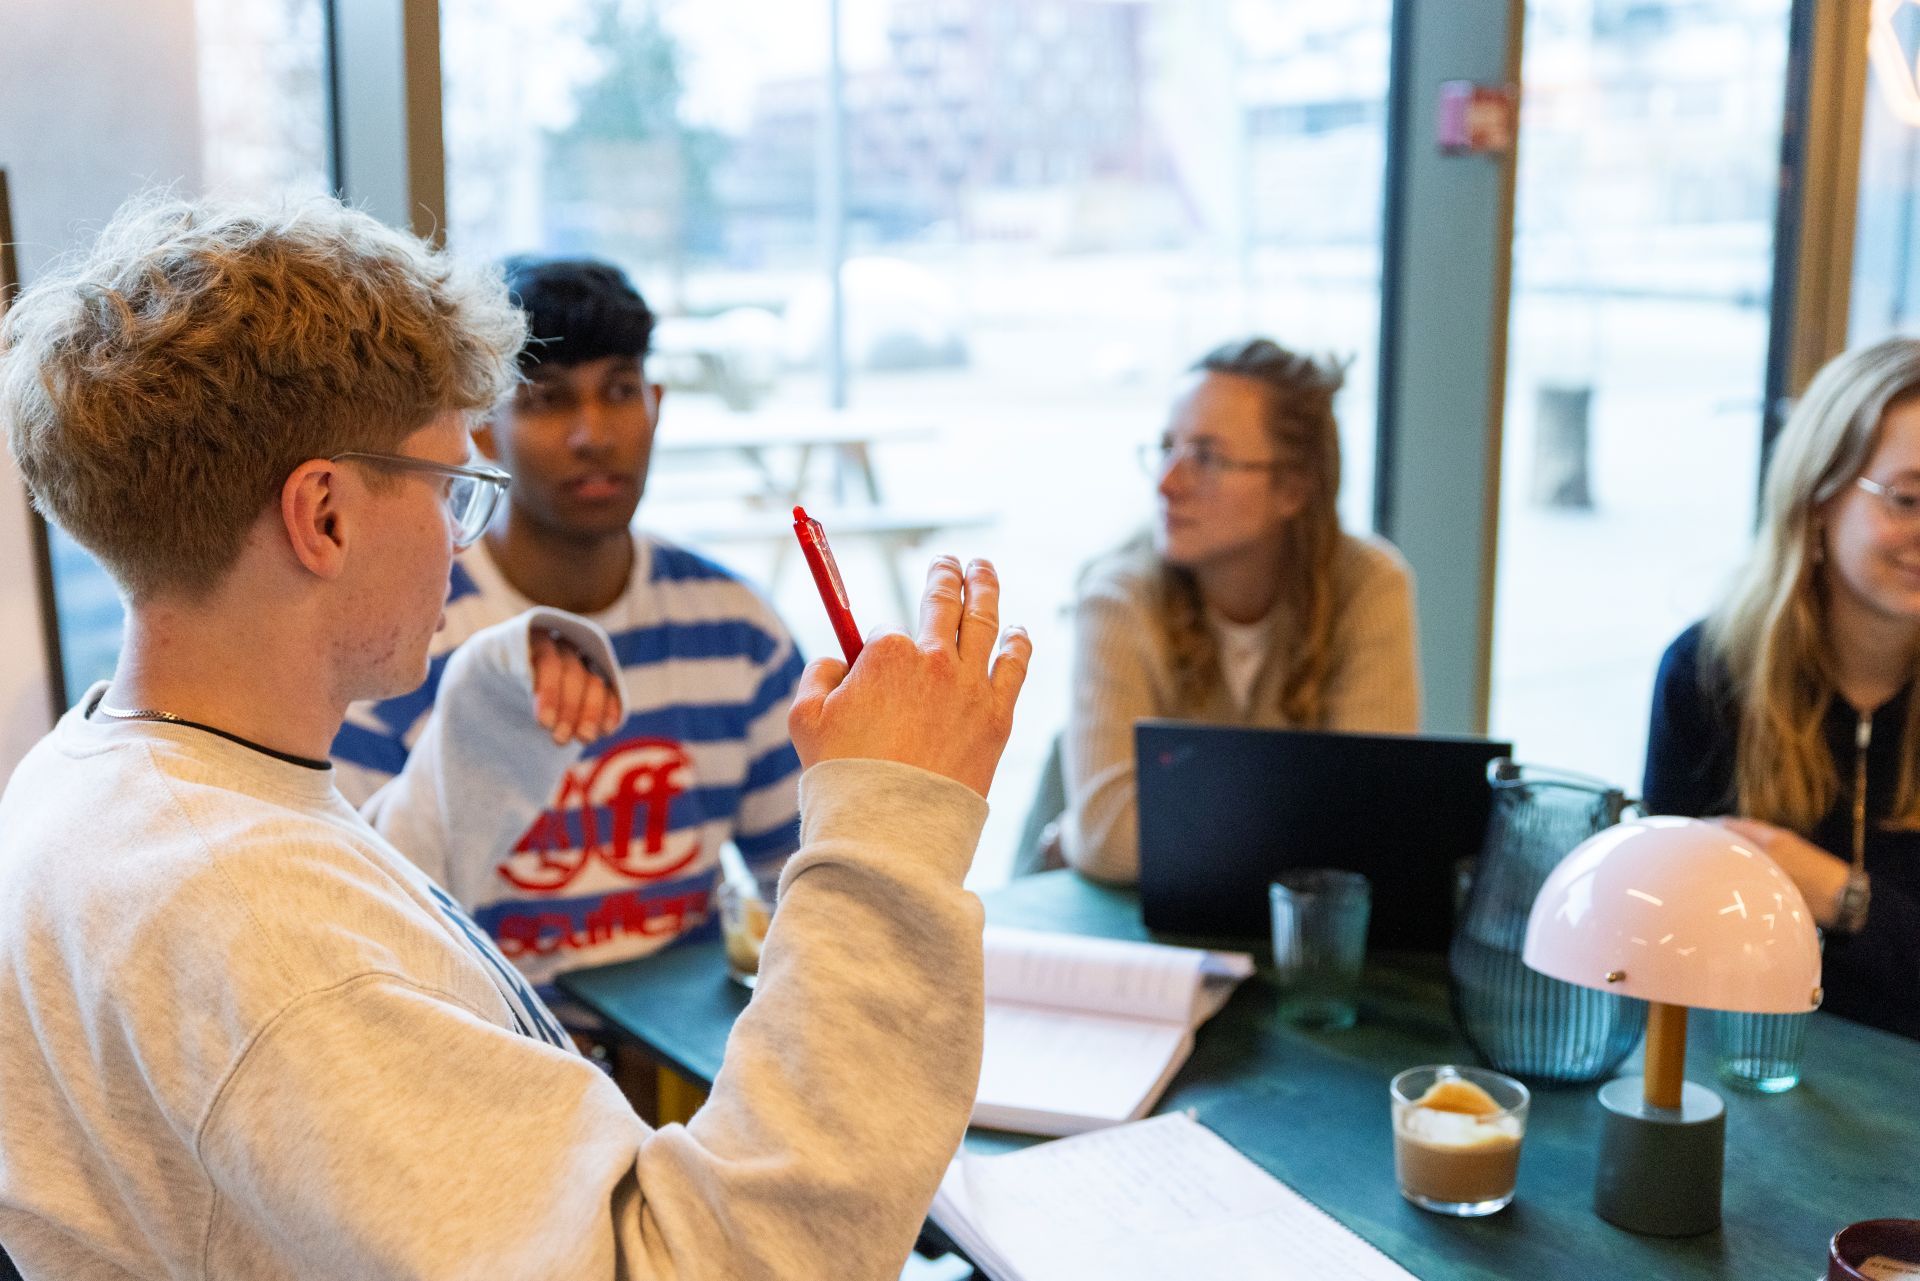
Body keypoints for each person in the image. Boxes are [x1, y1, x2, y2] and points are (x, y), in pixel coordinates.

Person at [0, 194, 1031, 1278]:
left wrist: (487, 727)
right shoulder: (263, 940)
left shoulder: (101, 776)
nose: (462, 541)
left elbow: (354, 911)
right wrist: (890, 828)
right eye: (453, 488)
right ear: (325, 516)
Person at [331, 256, 804, 1023]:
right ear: (482, 427)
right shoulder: (404, 631)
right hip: (485, 1053)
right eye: (547, 400)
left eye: (619, 391)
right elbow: (360, 921)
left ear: (656, 404)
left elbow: (798, 887)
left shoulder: (739, 629)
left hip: (681, 1058)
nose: (593, 435)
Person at [1061, 337, 1420, 885]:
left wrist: (1162, 827)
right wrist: (1310, 822)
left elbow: (1377, 819)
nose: (1166, 483)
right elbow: (1107, 838)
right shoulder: (1117, 596)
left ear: (1293, 489)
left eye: (1206, 457)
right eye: (1167, 448)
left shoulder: (1369, 585)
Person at [1644, 337, 1920, 1041]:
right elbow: (1663, 943)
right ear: (1819, 497)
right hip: (1738, 1063)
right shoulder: (1708, 672)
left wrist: (1838, 894)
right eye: (1907, 499)